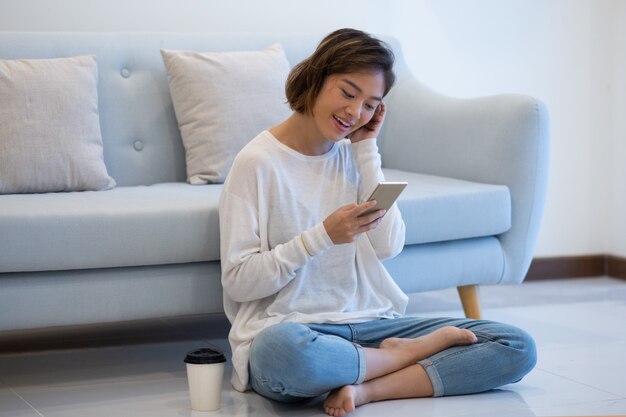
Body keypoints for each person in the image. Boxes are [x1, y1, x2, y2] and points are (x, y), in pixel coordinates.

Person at [219, 28, 536, 417]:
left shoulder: (357, 155)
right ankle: (410, 356)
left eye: (371, 104)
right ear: (315, 78)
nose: (355, 113)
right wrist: (320, 238)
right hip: (295, 332)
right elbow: (238, 282)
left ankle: (367, 388)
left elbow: (388, 246)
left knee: (514, 345)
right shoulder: (257, 163)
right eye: (348, 93)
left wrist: (367, 150)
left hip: (372, 324)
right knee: (282, 356)